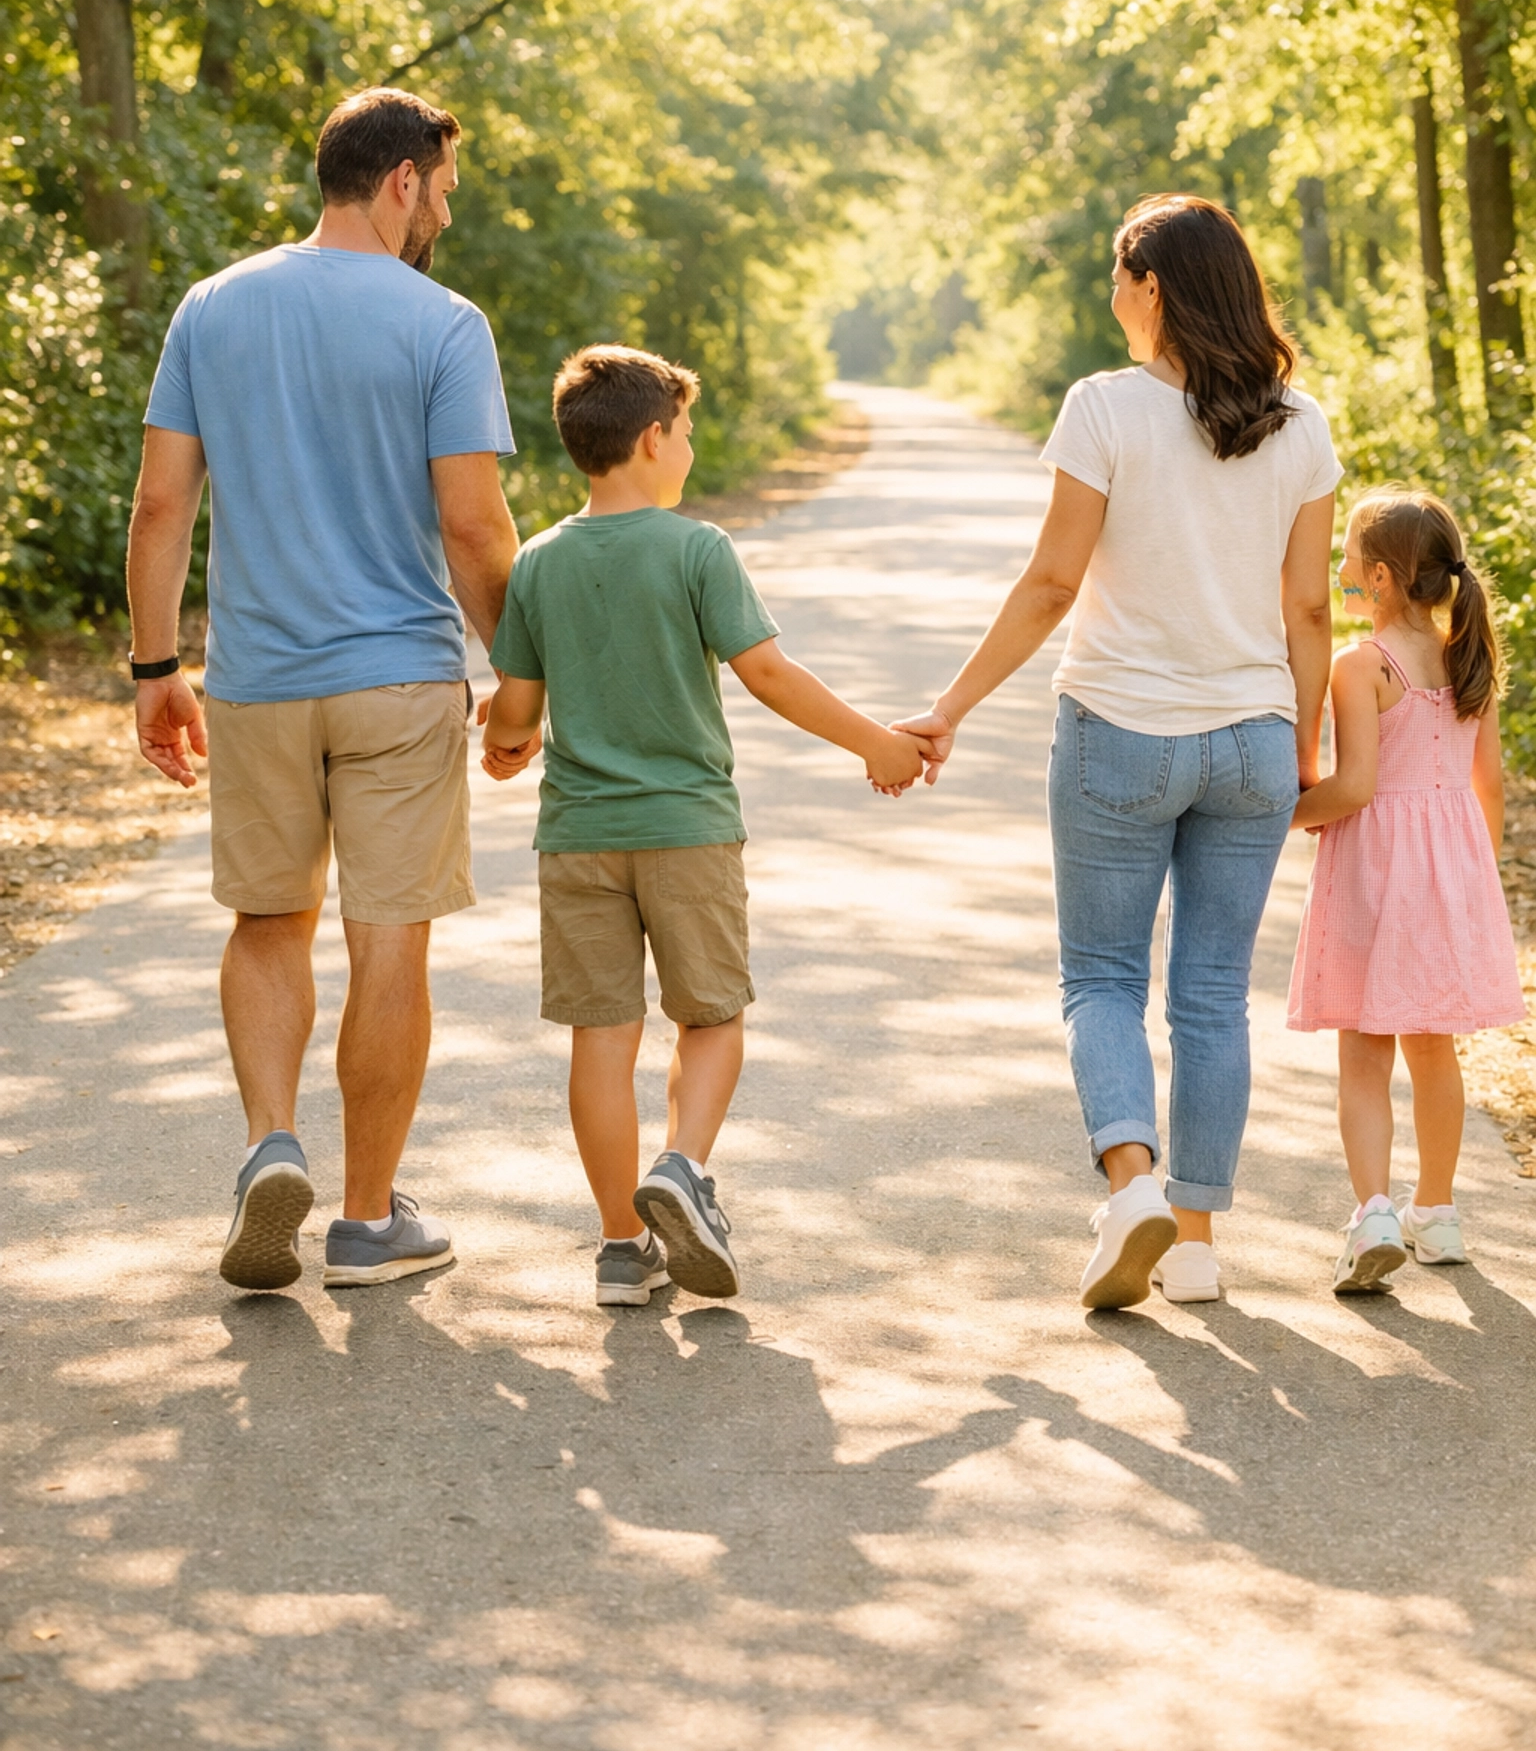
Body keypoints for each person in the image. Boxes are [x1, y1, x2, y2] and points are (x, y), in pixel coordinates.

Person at [895, 196, 1340, 1309]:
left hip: (1120, 736)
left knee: (1100, 977)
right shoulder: (1304, 425)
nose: (1111, 298)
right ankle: (1193, 1248)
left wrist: (950, 705)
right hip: (1251, 737)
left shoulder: (1104, 409)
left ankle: (1130, 1182)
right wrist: (1305, 742)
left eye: (1116, 277)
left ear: (1152, 287)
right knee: (1211, 999)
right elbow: (1311, 612)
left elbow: (1052, 583)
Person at [128, 87, 519, 1291]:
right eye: (441, 191)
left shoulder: (214, 306)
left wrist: (156, 670)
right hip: (400, 678)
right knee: (388, 939)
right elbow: (472, 527)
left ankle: (269, 1147)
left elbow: (160, 507)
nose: (439, 216)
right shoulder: (444, 322)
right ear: (401, 178)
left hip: (256, 677)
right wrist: (518, 679)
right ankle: (363, 1221)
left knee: (267, 921)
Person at [480, 343, 930, 1307]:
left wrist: (506, 747)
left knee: (601, 1037)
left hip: (579, 836)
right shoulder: (696, 549)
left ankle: (617, 1246)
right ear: (653, 439)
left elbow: (514, 709)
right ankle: (681, 1168)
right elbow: (767, 674)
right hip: (686, 828)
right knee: (711, 1019)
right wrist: (875, 745)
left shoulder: (539, 563)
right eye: (683, 429)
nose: (688, 443)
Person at [1287, 491, 1521, 1292]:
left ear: (1380, 578)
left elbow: (1352, 788)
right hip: (1452, 874)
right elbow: (1486, 789)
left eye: (1349, 559)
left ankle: (1375, 1214)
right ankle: (1439, 1211)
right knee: (1434, 1047)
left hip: (1372, 872)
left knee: (1363, 1051)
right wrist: (1469, 880)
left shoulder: (1362, 666)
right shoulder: (1470, 659)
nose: (1343, 571)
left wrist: (1281, 817)